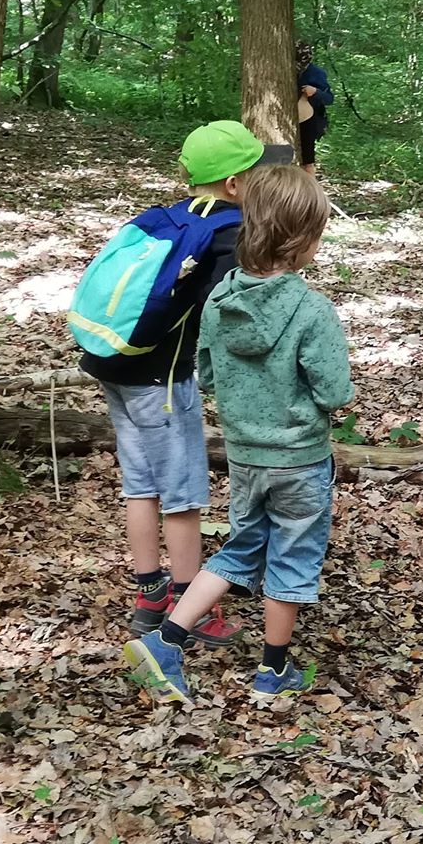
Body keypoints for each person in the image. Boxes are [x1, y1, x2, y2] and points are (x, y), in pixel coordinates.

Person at [123, 165, 353, 704]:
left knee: (242, 548)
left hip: (244, 455)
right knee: (291, 560)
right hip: (299, 459)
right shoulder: (312, 309)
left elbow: (203, 371)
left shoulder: (222, 295)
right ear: (302, 241)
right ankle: (273, 673)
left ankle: (166, 640)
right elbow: (335, 391)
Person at [75, 120, 257, 642]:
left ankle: (149, 590)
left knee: (141, 485)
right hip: (161, 381)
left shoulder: (164, 218)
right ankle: (189, 605)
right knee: (182, 495)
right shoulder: (228, 232)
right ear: (233, 184)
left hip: (116, 366)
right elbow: (223, 310)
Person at [296, 40, 333, 171]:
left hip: (309, 120)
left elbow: (329, 99)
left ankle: (311, 190)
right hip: (288, 118)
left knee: (307, 162)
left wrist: (315, 92)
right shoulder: (286, 69)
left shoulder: (317, 73)